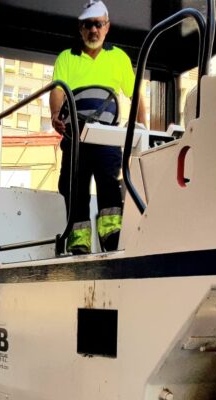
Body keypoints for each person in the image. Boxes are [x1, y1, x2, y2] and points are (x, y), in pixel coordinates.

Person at [49, 0, 145, 255]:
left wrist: (141, 127)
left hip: (107, 138)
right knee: (75, 188)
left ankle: (112, 237)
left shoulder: (119, 58)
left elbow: (136, 95)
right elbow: (58, 91)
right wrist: (55, 114)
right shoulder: (67, 58)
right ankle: (78, 243)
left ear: (107, 27)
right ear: (80, 28)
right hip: (76, 138)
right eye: (88, 25)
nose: (94, 30)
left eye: (98, 24)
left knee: (108, 185)